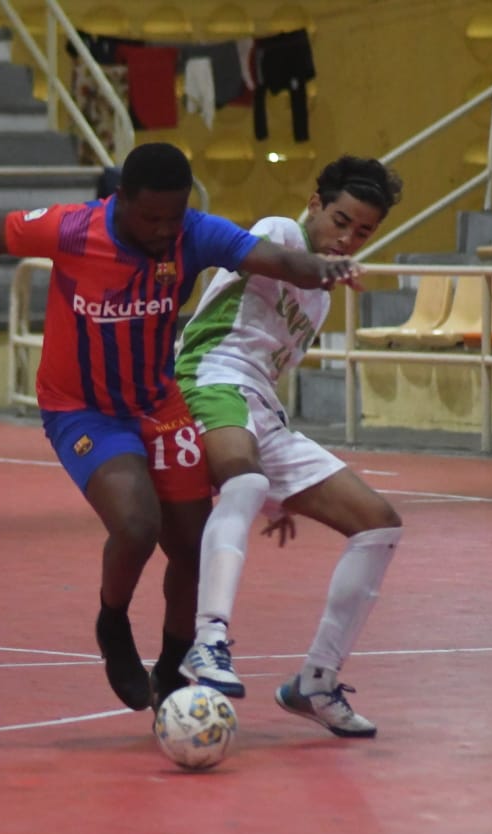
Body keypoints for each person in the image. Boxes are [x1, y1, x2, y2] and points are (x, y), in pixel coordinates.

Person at [0, 142, 358, 711]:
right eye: (151, 217)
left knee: (193, 547)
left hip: (157, 399)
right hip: (82, 407)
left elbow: (273, 258)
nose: (162, 229)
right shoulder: (73, 229)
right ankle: (112, 623)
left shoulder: (194, 234)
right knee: (135, 525)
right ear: (119, 200)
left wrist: (323, 269)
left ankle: (173, 669)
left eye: (173, 217)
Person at [172, 156, 404, 734]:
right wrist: (331, 267)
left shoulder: (321, 298)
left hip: (263, 410)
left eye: (363, 232)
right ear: (314, 204)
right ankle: (209, 641)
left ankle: (316, 682)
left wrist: (281, 494)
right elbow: (297, 266)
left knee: (378, 523)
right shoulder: (279, 231)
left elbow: (275, 371)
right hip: (212, 375)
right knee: (243, 480)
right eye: (341, 220)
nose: (347, 237)